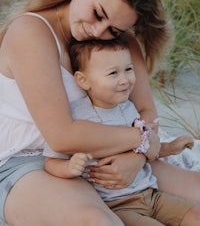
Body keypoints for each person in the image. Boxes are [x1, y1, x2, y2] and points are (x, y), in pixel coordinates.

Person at [0, 0, 199, 226]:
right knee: (96, 221)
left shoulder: (118, 41)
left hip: (112, 154)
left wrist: (136, 158)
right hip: (30, 163)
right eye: (98, 13)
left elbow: (145, 111)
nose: (97, 30)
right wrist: (141, 141)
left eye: (113, 29)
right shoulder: (31, 31)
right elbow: (62, 136)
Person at [44, 37, 198, 226]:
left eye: (128, 69)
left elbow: (146, 147)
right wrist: (69, 168)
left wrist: (170, 147)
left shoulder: (128, 109)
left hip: (150, 193)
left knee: (195, 214)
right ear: (83, 80)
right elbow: (51, 161)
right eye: (113, 73)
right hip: (118, 205)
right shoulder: (78, 118)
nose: (125, 80)